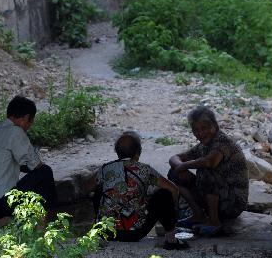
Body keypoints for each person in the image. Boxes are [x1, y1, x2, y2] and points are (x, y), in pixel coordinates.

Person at [0, 95, 56, 218]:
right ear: (25, 118)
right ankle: (49, 217)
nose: (30, 125)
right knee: (45, 172)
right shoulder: (16, 131)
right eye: (31, 121)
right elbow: (36, 165)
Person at [92, 131, 184, 248]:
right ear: (138, 152)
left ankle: (98, 226)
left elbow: (85, 188)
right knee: (164, 194)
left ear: (117, 153)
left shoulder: (105, 169)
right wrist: (172, 214)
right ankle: (171, 240)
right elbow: (174, 189)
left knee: (98, 189)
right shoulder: (144, 169)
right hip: (133, 233)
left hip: (106, 232)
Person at [167, 106, 248, 236]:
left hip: (233, 203)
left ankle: (214, 222)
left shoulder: (222, 141)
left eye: (204, 128)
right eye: (196, 130)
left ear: (214, 126)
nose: (200, 133)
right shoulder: (203, 146)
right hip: (218, 196)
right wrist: (180, 167)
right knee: (174, 173)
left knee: (205, 171)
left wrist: (184, 166)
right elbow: (174, 158)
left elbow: (210, 162)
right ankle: (198, 214)